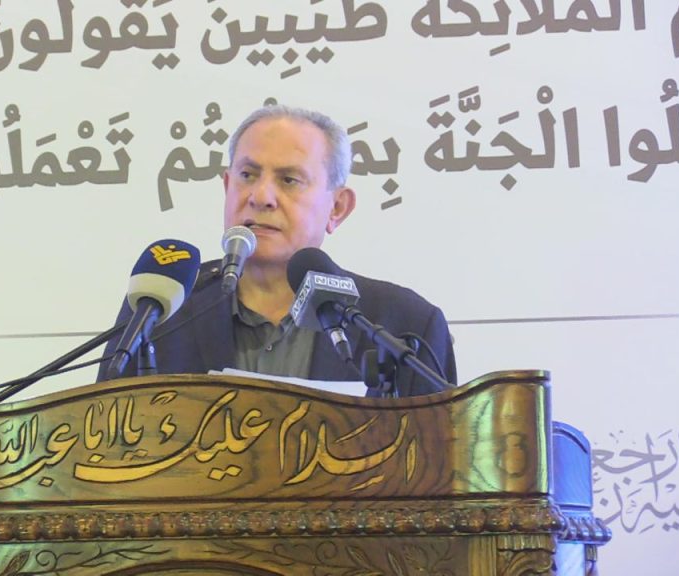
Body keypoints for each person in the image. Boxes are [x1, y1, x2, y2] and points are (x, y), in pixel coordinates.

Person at [97, 105, 455, 396]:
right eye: (247, 175)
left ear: (337, 208)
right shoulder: (161, 308)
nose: (261, 196)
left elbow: (441, 456)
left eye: (288, 180)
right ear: (227, 186)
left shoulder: (404, 324)